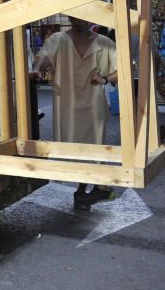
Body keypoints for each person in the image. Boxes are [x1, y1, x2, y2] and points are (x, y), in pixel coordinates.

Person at [34, 16, 117, 210]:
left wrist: (104, 78)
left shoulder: (104, 43)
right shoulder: (58, 39)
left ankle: (93, 189)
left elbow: (124, 67)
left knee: (94, 148)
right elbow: (44, 56)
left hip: (93, 107)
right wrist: (38, 69)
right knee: (72, 147)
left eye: (82, 17)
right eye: (73, 17)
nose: (77, 21)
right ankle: (83, 191)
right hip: (67, 106)